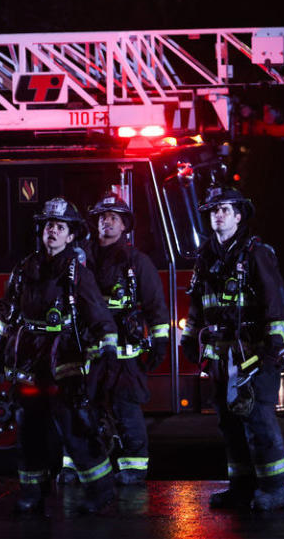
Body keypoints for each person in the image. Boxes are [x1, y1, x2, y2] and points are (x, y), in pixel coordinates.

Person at [0, 197, 119, 514]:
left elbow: (98, 314)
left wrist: (108, 351)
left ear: (70, 235)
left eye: (59, 227)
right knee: (29, 429)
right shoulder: (24, 269)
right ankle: (33, 493)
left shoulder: (77, 273)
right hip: (29, 363)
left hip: (64, 361)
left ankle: (101, 491)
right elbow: (8, 316)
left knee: (75, 428)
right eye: (48, 225)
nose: (52, 231)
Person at [179, 186, 284, 511]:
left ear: (239, 216)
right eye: (214, 209)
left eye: (225, 209)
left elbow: (275, 304)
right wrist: (189, 338)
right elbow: (197, 304)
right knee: (230, 424)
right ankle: (241, 487)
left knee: (258, 420)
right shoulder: (207, 256)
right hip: (220, 358)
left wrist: (272, 348)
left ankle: (276, 489)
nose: (218, 214)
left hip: (253, 355)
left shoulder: (257, 253)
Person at [58, 191, 169, 486]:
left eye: (114, 218)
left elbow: (156, 305)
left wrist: (160, 341)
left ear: (124, 226)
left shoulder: (137, 262)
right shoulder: (78, 258)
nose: (107, 222)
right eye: (103, 218)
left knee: (125, 408)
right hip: (87, 350)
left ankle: (133, 467)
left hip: (123, 353)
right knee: (80, 408)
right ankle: (76, 466)